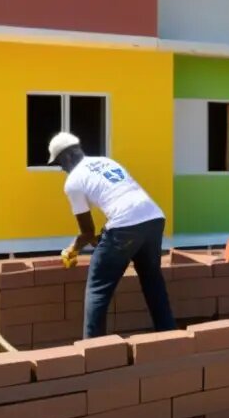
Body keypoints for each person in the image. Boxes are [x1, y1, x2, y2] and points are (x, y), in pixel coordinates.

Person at [49, 132, 175, 338]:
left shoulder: (73, 181)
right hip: (153, 218)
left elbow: (86, 231)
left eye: (59, 163)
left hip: (125, 224)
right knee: (152, 280)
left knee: (97, 289)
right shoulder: (105, 161)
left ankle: (92, 349)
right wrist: (100, 241)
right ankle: (169, 334)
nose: (61, 168)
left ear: (68, 157)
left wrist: (72, 249)